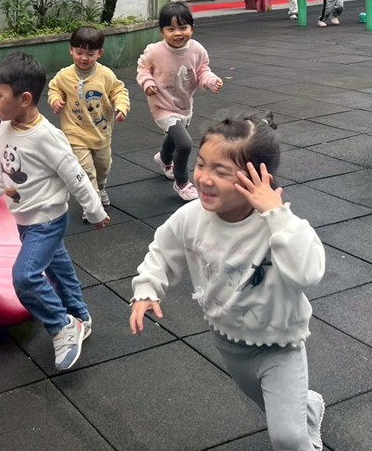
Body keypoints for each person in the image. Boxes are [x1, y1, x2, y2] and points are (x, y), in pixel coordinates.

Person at [129, 115, 326, 451]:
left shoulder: (279, 225)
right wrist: (146, 288)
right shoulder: (191, 217)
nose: (204, 178)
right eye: (201, 164)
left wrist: (277, 214)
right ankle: (308, 406)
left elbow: (309, 272)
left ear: (257, 179)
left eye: (220, 172)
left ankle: (302, 422)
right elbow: (162, 250)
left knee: (288, 438)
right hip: (228, 341)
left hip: (280, 345)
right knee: (272, 408)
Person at [0, 52, 110, 371]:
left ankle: (61, 325)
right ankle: (80, 316)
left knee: (25, 277)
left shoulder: (47, 137)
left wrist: (94, 210)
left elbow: (76, 176)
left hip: (46, 221)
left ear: (24, 99)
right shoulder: (7, 126)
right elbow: (3, 167)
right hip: (24, 219)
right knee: (58, 269)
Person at [137, 1, 223, 202]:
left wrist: (210, 81)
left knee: (174, 136)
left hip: (184, 104)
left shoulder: (197, 49)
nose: (177, 33)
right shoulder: (155, 51)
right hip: (162, 105)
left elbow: (202, 70)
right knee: (184, 144)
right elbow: (143, 68)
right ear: (162, 31)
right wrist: (147, 82)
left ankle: (164, 158)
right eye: (171, 29)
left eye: (183, 28)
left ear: (191, 28)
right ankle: (182, 182)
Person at [47, 26, 130, 217]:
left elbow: (119, 91)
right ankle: (93, 205)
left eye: (90, 54)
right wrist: (55, 100)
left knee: (103, 167)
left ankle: (100, 187)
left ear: (99, 53)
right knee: (86, 170)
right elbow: (54, 88)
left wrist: (121, 107)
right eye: (79, 52)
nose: (84, 58)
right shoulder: (64, 75)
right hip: (75, 133)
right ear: (71, 50)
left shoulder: (105, 75)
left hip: (101, 133)